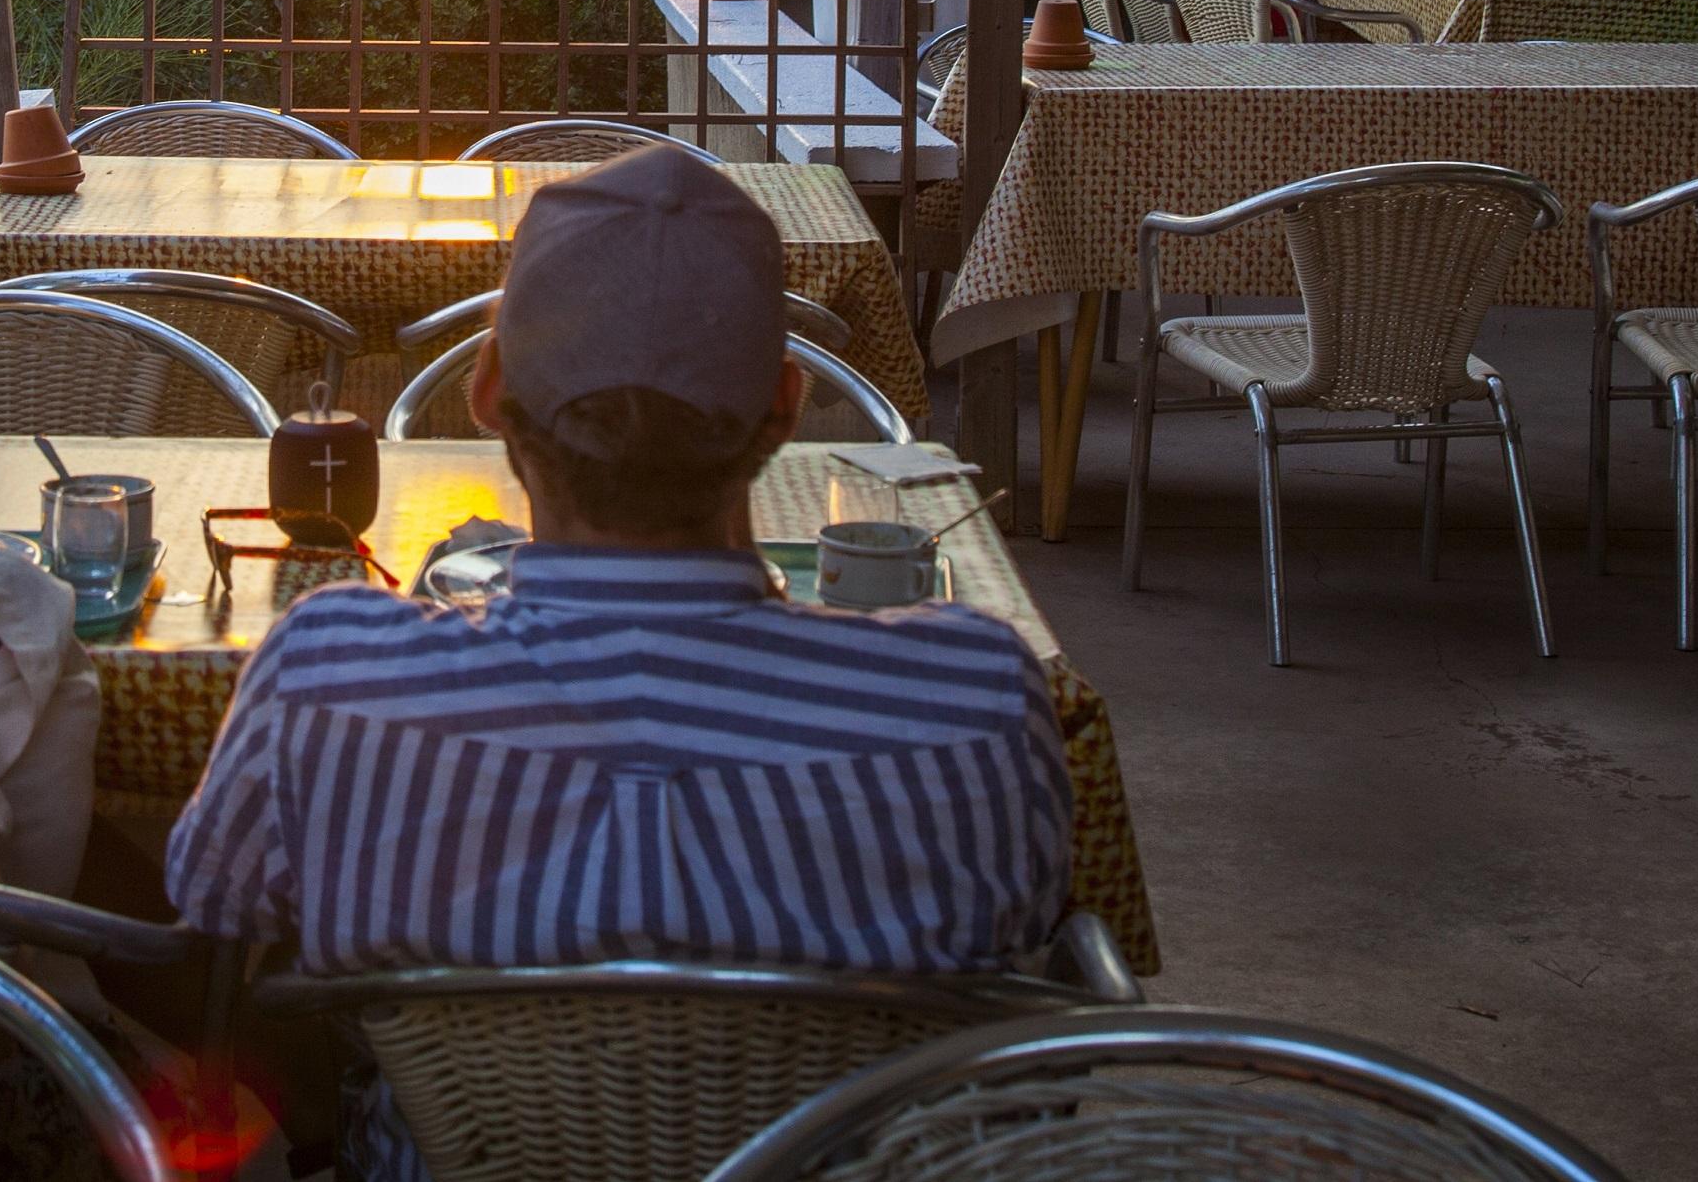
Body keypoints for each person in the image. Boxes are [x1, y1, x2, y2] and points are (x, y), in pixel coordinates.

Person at [166, 148, 1072, 1169]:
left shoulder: (328, 677)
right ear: (783, 405)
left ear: (486, 389)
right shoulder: (974, 699)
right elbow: (1037, 967)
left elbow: (212, 905)